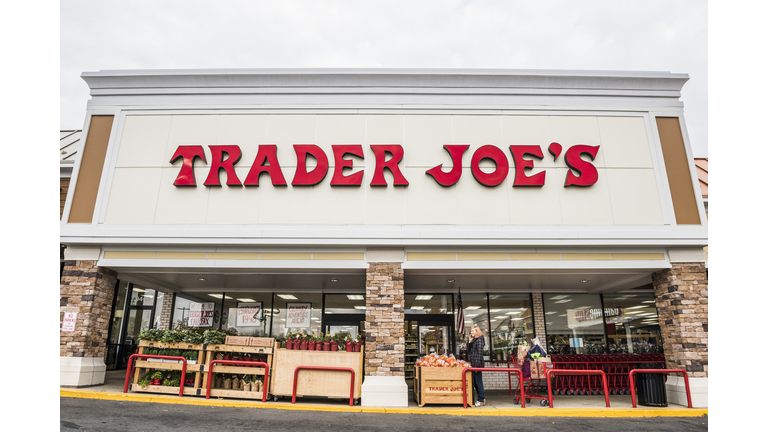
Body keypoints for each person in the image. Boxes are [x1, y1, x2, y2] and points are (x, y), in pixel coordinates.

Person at [467, 325, 486, 407]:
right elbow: (468, 351)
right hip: (473, 364)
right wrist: (469, 342)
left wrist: (476, 367)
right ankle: (482, 397)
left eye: (473, 331)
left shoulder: (480, 340)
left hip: (477, 364)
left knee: (478, 381)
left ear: (477, 331)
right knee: (475, 382)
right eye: (471, 331)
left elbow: (479, 353)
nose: (472, 332)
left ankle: (481, 399)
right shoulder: (474, 340)